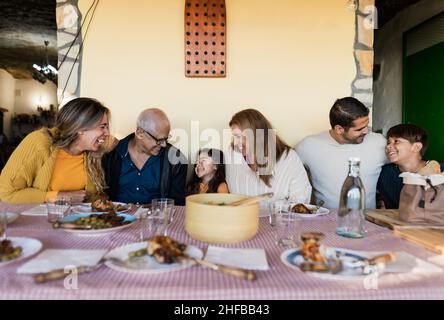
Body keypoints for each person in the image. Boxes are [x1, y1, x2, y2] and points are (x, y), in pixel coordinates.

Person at [0, 97, 111, 204]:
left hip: (76, 221)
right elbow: (6, 192)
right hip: (37, 220)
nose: (107, 133)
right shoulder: (40, 142)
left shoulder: (92, 153)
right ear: (80, 128)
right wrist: (57, 196)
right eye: (102, 126)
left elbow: (92, 197)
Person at [296, 97, 387, 209]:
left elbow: (407, 165)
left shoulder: (379, 142)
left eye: (366, 125)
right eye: (359, 129)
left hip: (368, 222)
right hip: (324, 222)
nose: (366, 131)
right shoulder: (308, 146)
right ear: (339, 129)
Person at [102, 108, 187, 205]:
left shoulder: (176, 160)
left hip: (157, 218)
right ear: (139, 133)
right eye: (159, 140)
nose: (163, 145)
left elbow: (177, 204)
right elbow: (103, 195)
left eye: (166, 139)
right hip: (118, 218)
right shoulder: (111, 154)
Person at [225, 109, 311, 203]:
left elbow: (302, 199)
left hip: (279, 217)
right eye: (235, 136)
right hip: (240, 217)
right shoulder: (232, 155)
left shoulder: (288, 158)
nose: (237, 143)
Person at [377, 124, 444, 209]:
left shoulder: (440, 171)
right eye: (388, 142)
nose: (388, 146)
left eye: (396, 141)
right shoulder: (384, 173)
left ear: (416, 147)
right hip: (395, 221)